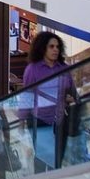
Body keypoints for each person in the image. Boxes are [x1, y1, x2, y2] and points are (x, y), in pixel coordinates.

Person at [20, 32, 77, 170]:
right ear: (43, 48)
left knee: (57, 160)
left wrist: (70, 98)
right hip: (40, 121)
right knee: (41, 158)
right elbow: (27, 96)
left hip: (60, 120)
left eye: (57, 46)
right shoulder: (33, 69)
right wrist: (21, 120)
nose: (55, 49)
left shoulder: (63, 68)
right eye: (51, 46)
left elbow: (72, 91)